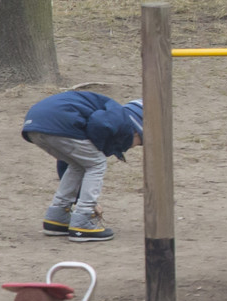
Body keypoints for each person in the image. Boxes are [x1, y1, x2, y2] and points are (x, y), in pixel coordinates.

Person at [21, 91, 144, 242]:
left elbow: (67, 162)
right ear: (137, 131)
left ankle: (57, 217)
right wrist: (86, 204)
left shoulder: (112, 112)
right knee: (96, 163)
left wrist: (78, 197)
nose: (134, 147)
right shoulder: (120, 117)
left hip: (36, 123)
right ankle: (84, 220)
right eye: (140, 143)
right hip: (59, 122)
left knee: (79, 164)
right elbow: (98, 123)